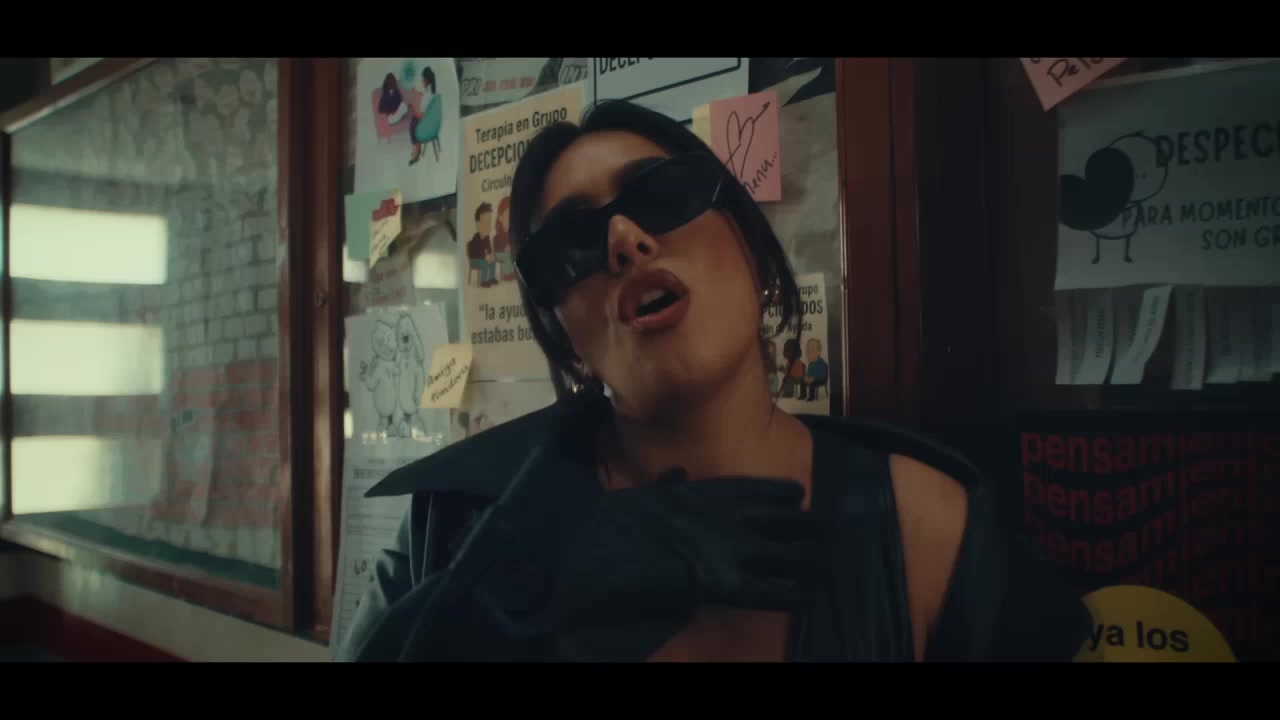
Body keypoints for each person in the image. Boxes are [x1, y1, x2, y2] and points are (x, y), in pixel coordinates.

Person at [335, 100, 1091, 663]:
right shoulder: (450, 528)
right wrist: (514, 607)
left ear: (755, 253)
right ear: (567, 343)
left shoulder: (932, 534)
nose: (625, 240)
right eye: (571, 241)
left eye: (660, 194)